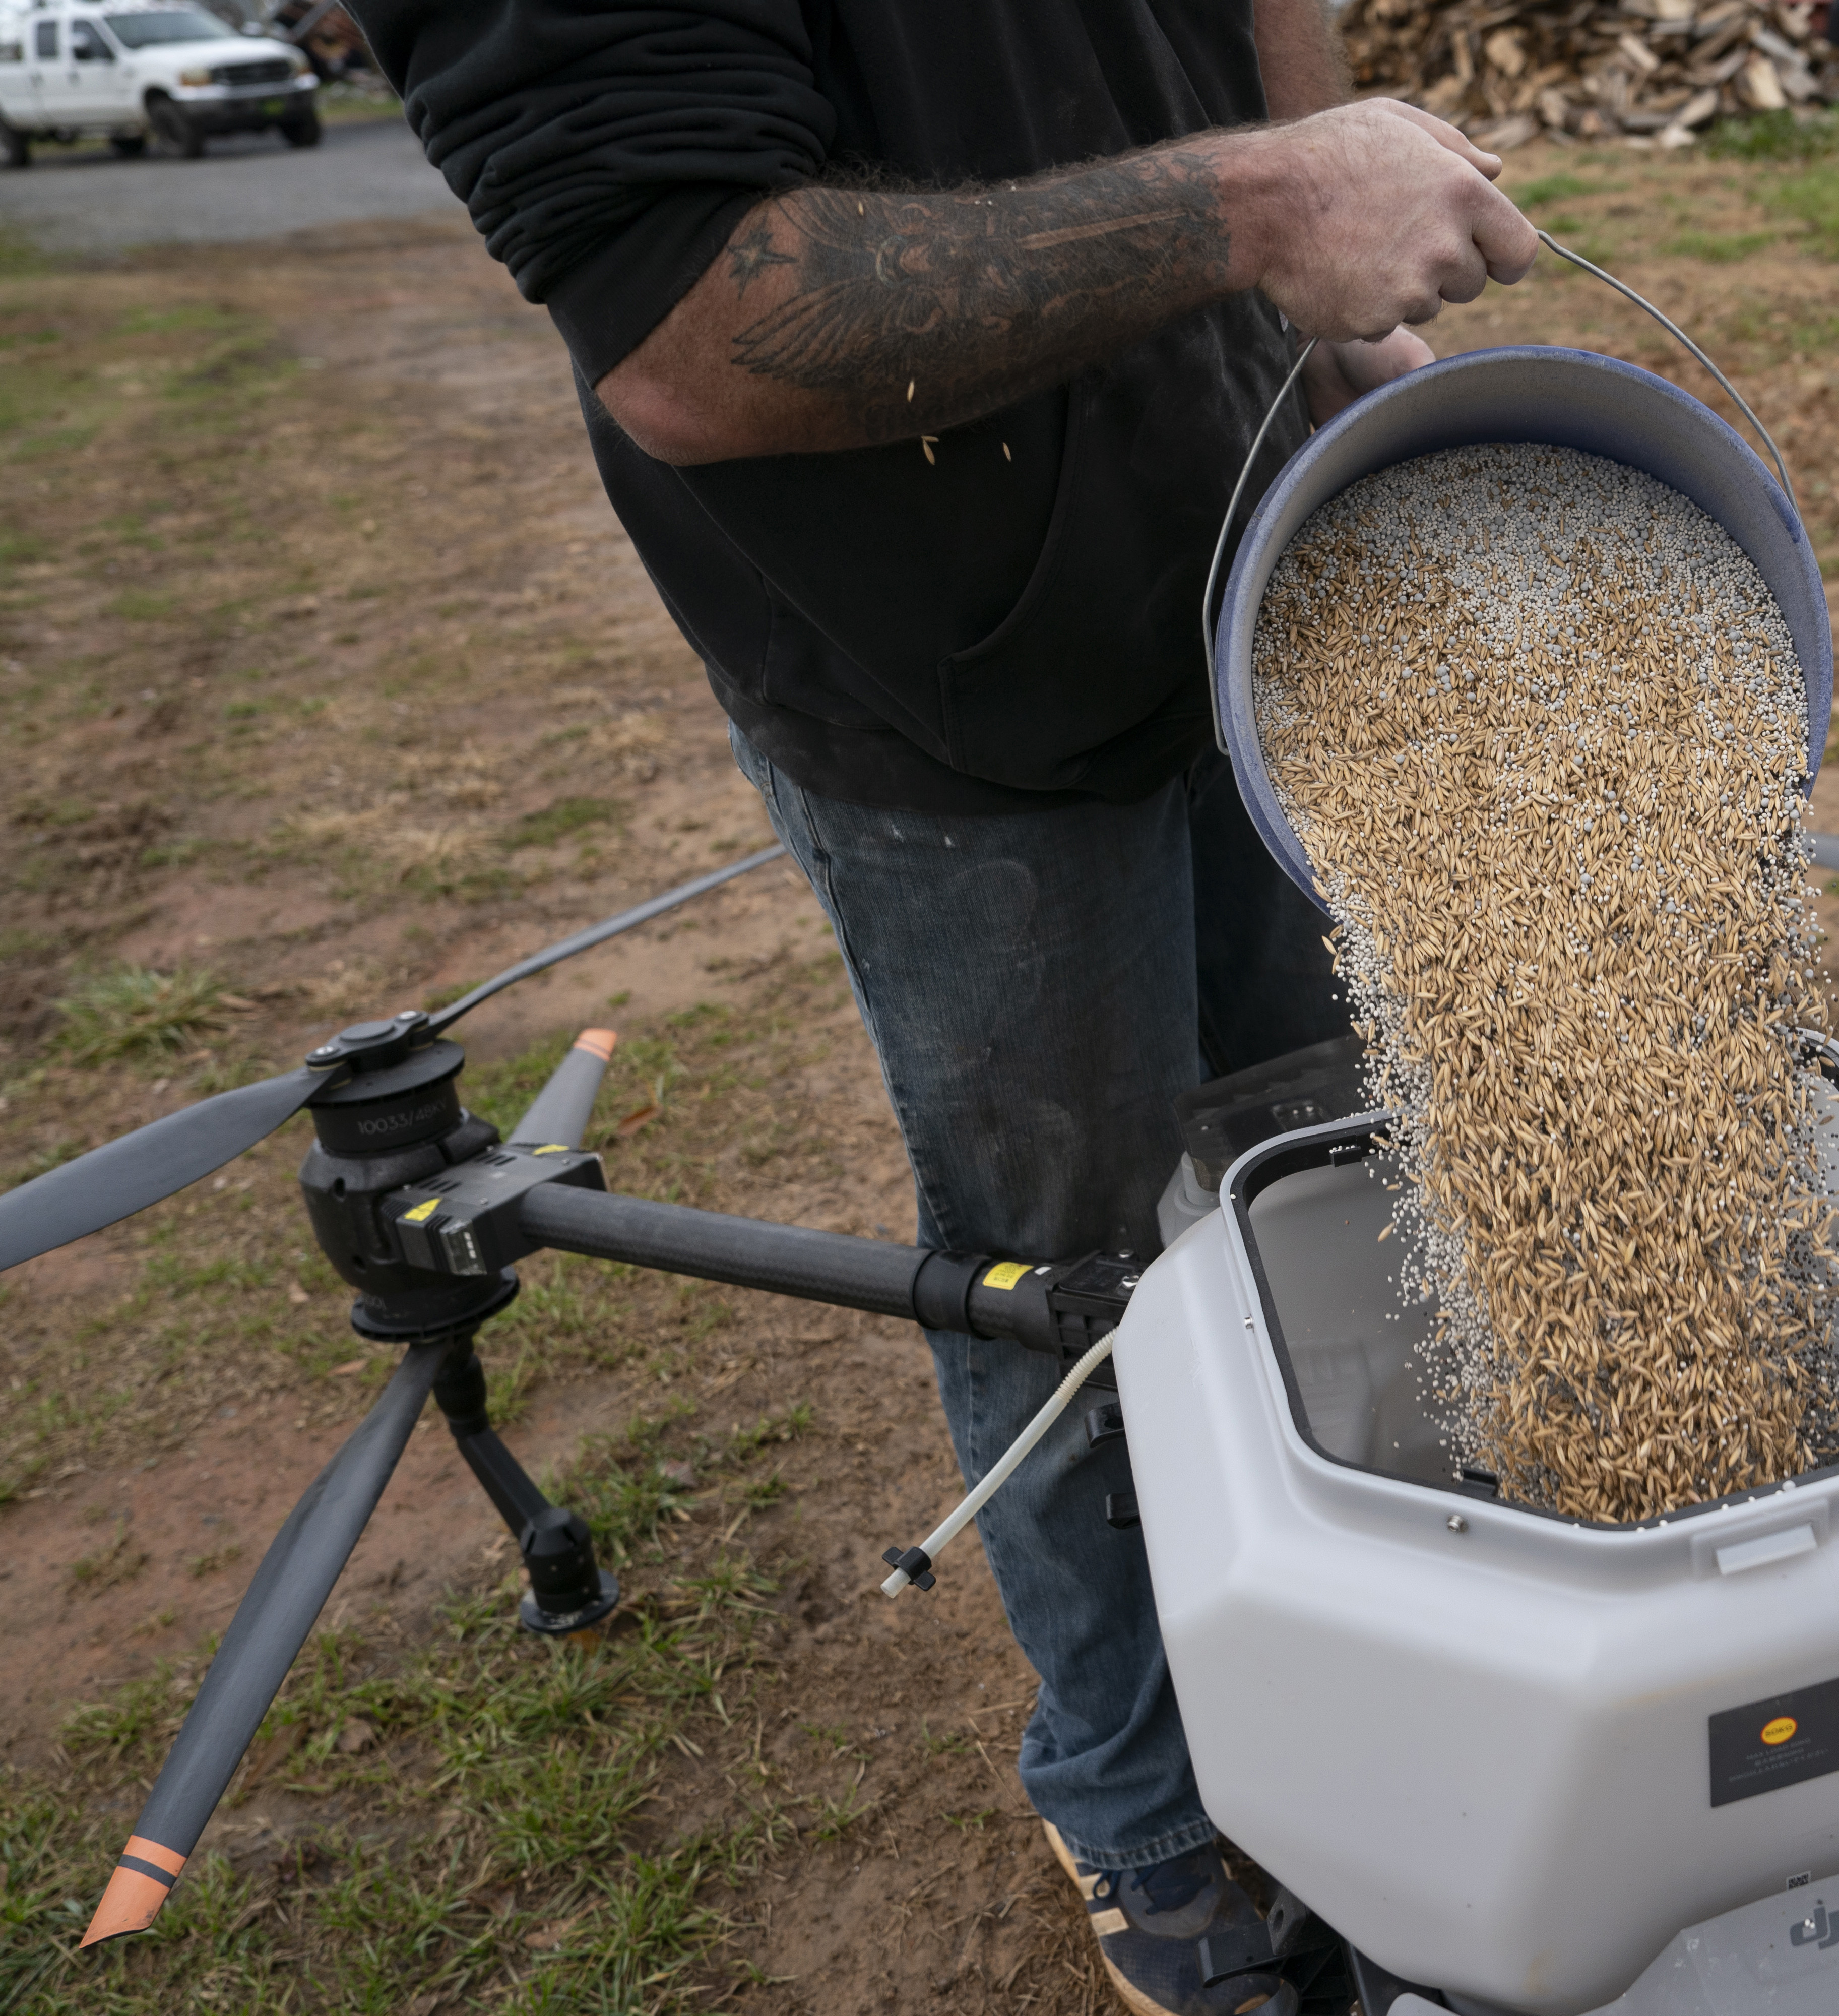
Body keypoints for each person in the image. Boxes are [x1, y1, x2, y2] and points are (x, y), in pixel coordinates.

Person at [349, 8, 1539, 2013]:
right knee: (1062, 1271)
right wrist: (1258, 205)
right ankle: (1145, 1801)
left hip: (1242, 543)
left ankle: (1369, 1650)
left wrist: (1305, 217)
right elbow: (692, 329)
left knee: (1320, 1147)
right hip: (952, 677)